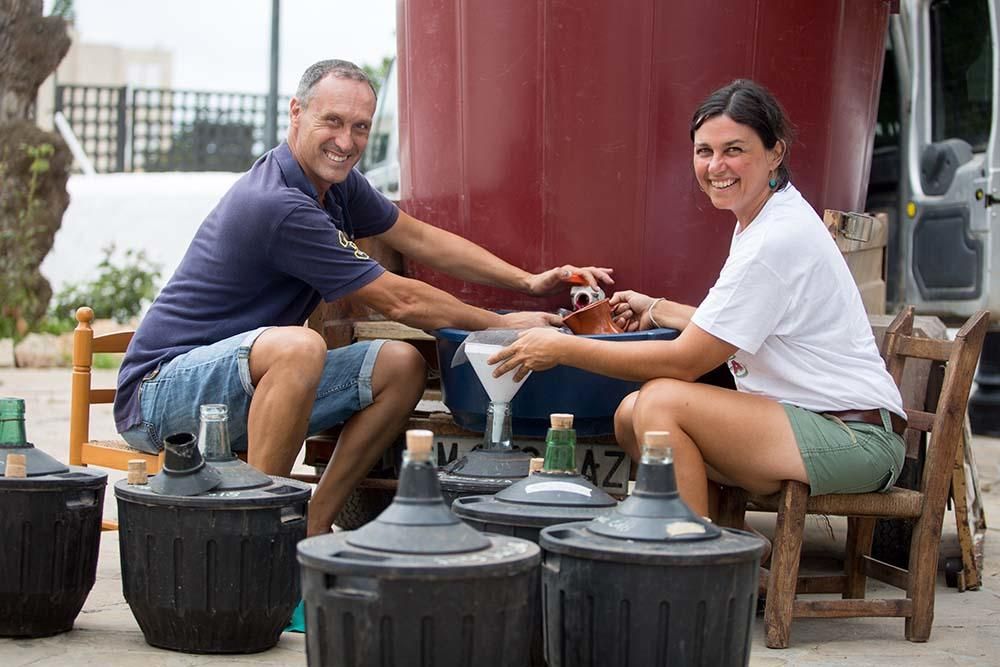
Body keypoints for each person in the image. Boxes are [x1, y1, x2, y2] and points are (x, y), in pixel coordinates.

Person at [114, 59, 613, 536]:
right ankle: (260, 529)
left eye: (360, 127)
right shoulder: (279, 204)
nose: (345, 141)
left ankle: (313, 521)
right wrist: (504, 325)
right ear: (296, 113)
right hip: (160, 392)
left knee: (400, 365)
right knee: (299, 346)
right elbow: (400, 301)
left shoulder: (337, 187)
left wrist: (527, 282)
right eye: (332, 121)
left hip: (245, 382)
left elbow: (418, 239)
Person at [489, 79, 905, 522]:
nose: (716, 166)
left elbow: (686, 362)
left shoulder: (774, 240)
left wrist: (562, 348)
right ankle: (724, 540)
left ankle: (688, 555)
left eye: (734, 150)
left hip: (854, 436)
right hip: (805, 420)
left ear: (775, 153)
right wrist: (656, 308)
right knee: (632, 415)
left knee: (661, 402)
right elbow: (737, 325)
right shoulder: (764, 217)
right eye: (704, 151)